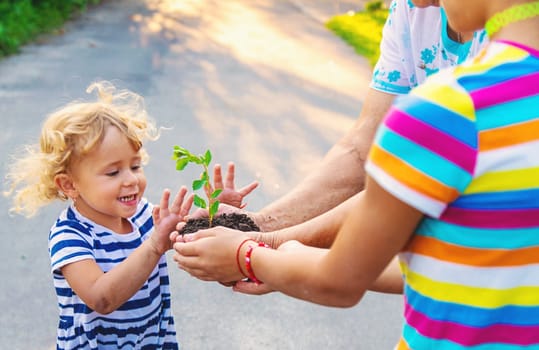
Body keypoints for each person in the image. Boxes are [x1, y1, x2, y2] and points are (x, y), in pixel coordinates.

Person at [174, 0, 539, 347]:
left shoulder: (449, 109)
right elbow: (452, 263)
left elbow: (341, 279)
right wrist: (265, 233)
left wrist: (251, 255)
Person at [3, 81, 256, 349]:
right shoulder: (70, 235)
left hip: (150, 340)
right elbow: (101, 298)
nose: (131, 180)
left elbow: (178, 234)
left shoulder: (142, 214)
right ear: (69, 184)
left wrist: (214, 214)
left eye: (135, 166)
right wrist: (154, 245)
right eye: (113, 172)